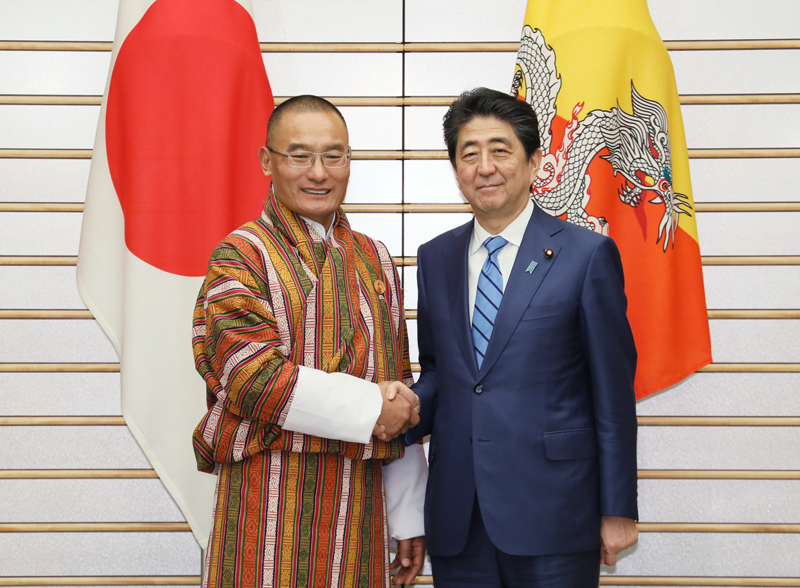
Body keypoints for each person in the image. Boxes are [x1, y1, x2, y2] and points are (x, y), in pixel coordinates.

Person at [405, 87, 639, 587]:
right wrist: (388, 410)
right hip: (459, 516)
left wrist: (618, 507)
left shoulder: (587, 255)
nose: (484, 166)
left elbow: (613, 393)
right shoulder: (435, 258)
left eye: (500, 149)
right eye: (469, 153)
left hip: (556, 512)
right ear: (456, 169)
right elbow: (443, 375)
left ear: (534, 162)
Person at [192, 95, 427, 588]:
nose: (318, 172)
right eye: (299, 155)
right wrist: (371, 405)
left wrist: (408, 516)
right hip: (265, 508)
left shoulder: (375, 259)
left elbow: (398, 387)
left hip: (359, 511)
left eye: (334, 155)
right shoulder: (240, 255)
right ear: (266, 162)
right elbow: (253, 379)